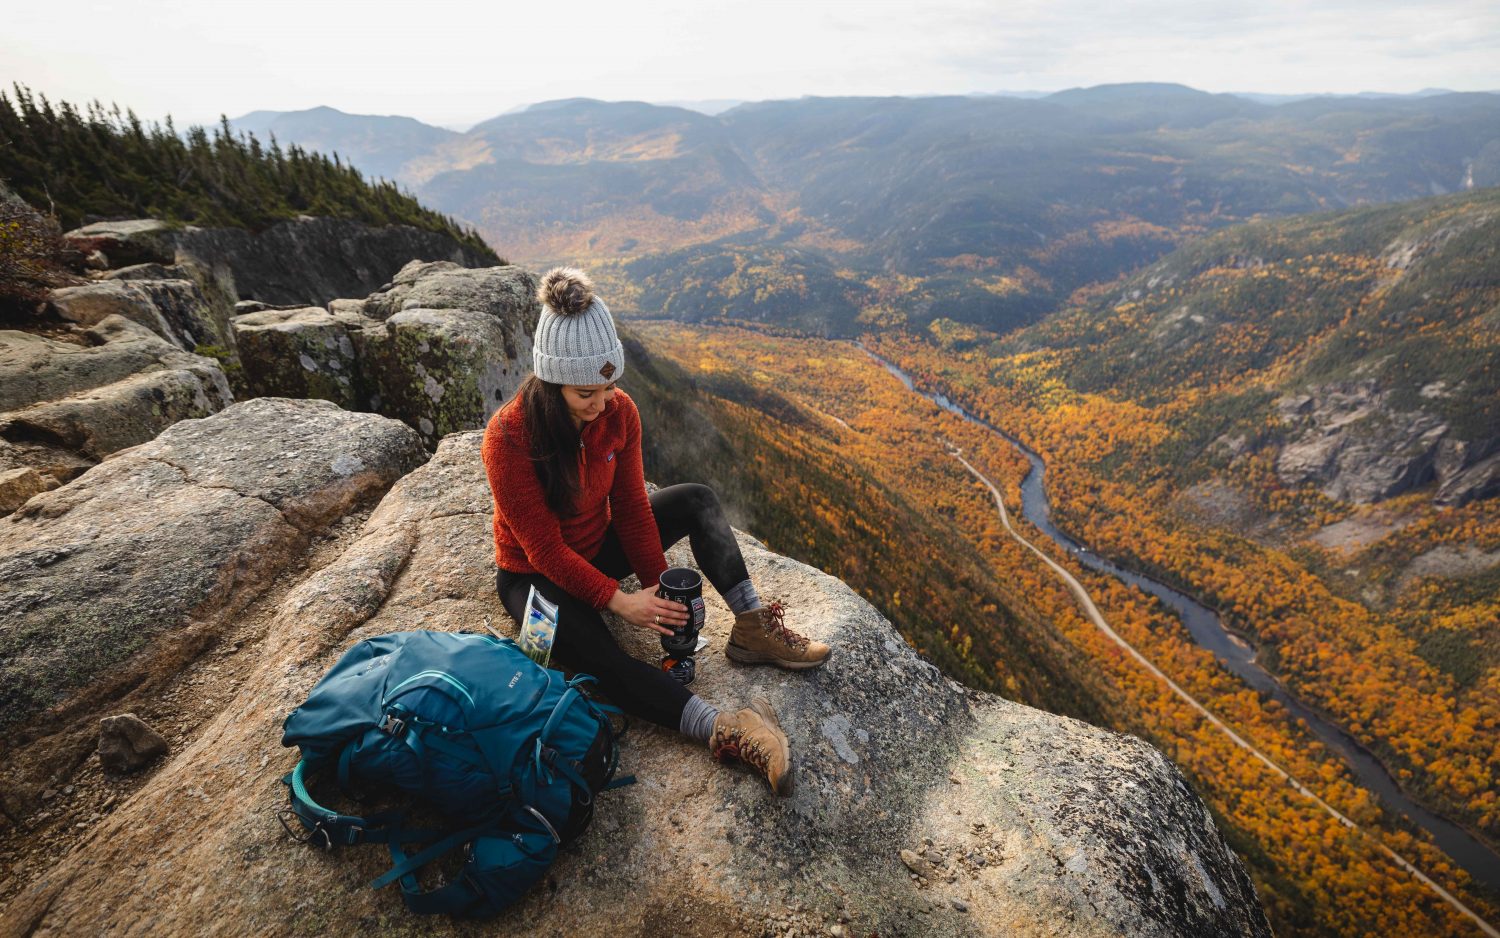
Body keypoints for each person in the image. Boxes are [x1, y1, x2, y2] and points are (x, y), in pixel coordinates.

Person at [481, 267, 832, 795]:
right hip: (531, 577)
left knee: (696, 500)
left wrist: (663, 590)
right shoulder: (508, 438)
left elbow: (630, 507)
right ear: (551, 384)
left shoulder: (618, 413)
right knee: (600, 661)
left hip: (596, 546)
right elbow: (544, 550)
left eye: (609, 386)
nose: (601, 403)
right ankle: (723, 728)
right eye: (585, 393)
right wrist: (620, 603)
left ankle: (753, 626)